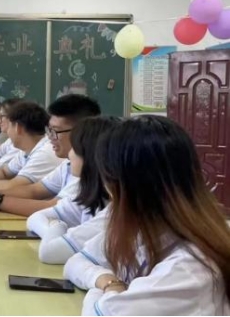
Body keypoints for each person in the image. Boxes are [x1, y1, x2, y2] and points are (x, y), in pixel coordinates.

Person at [64, 116, 230, 316]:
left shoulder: (188, 269)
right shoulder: (145, 228)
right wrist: (109, 283)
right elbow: (75, 263)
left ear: (120, 185)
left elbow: (99, 314)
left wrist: (102, 292)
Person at [0, 94, 101, 217]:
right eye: (49, 130)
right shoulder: (67, 163)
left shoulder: (90, 167)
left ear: (81, 131)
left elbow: (53, 208)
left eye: (55, 131)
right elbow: (34, 190)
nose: (50, 137)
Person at [26, 116, 121, 264]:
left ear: (91, 156)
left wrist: (57, 226)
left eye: (74, 149)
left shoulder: (115, 211)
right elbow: (34, 218)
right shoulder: (90, 193)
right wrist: (56, 228)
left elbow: (50, 253)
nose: (69, 155)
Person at [0, 101, 61, 190]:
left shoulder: (44, 152)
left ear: (18, 128)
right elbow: (4, 172)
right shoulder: (25, 151)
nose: (7, 132)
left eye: (9, 126)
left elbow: (15, 185)